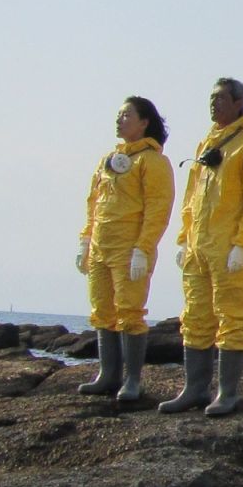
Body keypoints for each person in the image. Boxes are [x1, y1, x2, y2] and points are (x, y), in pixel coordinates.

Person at [158, 78, 243, 417]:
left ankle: (227, 393)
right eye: (212, 98)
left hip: (233, 250)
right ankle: (194, 389)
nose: (214, 104)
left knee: (234, 319)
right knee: (195, 317)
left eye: (222, 98)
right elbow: (191, 199)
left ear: (240, 103)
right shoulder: (206, 145)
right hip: (200, 248)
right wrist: (184, 239)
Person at [76, 95, 176, 403]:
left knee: (130, 313)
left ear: (144, 123)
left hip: (130, 249)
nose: (119, 120)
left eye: (126, 115)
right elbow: (94, 203)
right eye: (118, 115)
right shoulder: (109, 160)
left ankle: (132, 379)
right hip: (102, 248)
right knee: (102, 311)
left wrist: (143, 248)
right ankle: (108, 375)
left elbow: (158, 208)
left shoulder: (153, 161)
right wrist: (85, 240)